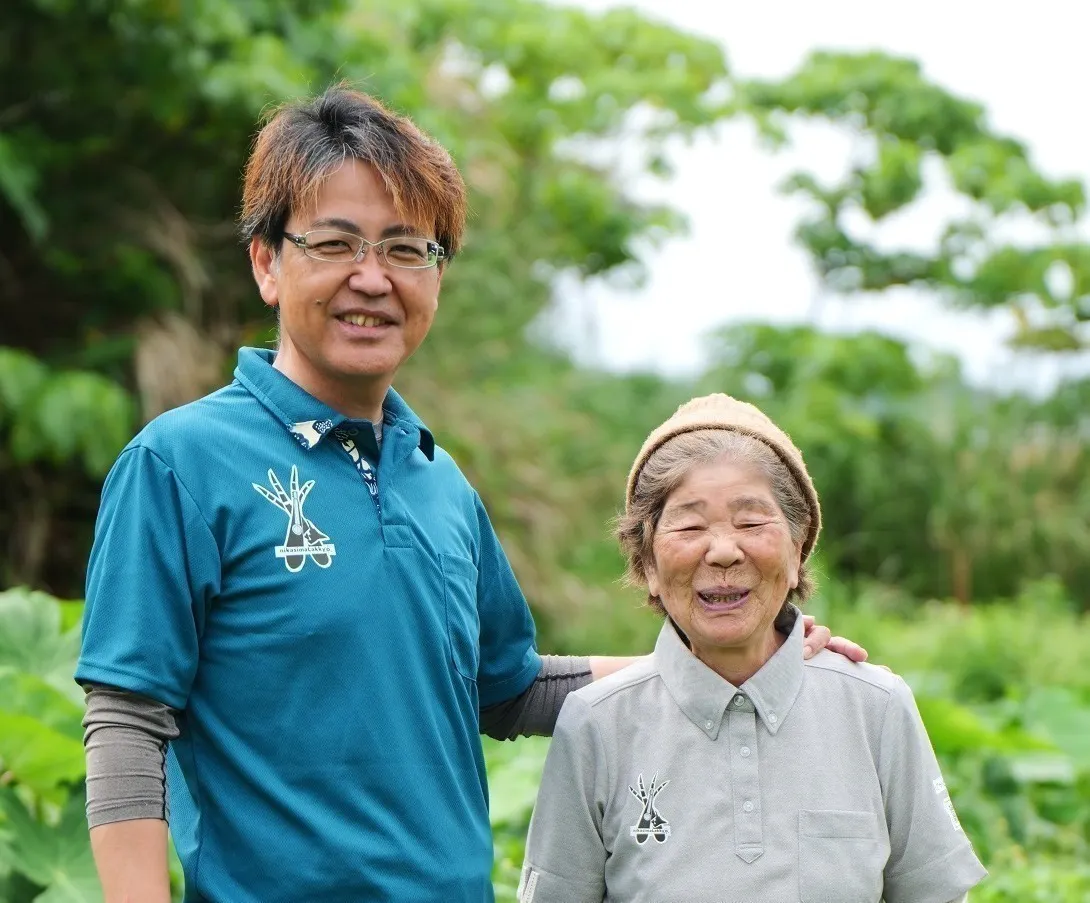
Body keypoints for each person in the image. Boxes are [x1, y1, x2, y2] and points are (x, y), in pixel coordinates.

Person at [75, 87, 864, 903]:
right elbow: (129, 720)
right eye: (337, 244)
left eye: (407, 249)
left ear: (437, 275)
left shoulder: (438, 483)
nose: (372, 279)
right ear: (268, 262)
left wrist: (726, 660)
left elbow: (510, 688)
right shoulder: (180, 464)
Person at [518, 393, 987, 903]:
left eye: (751, 522)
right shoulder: (595, 722)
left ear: (797, 549)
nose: (722, 551)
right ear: (648, 565)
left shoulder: (876, 707)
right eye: (690, 526)